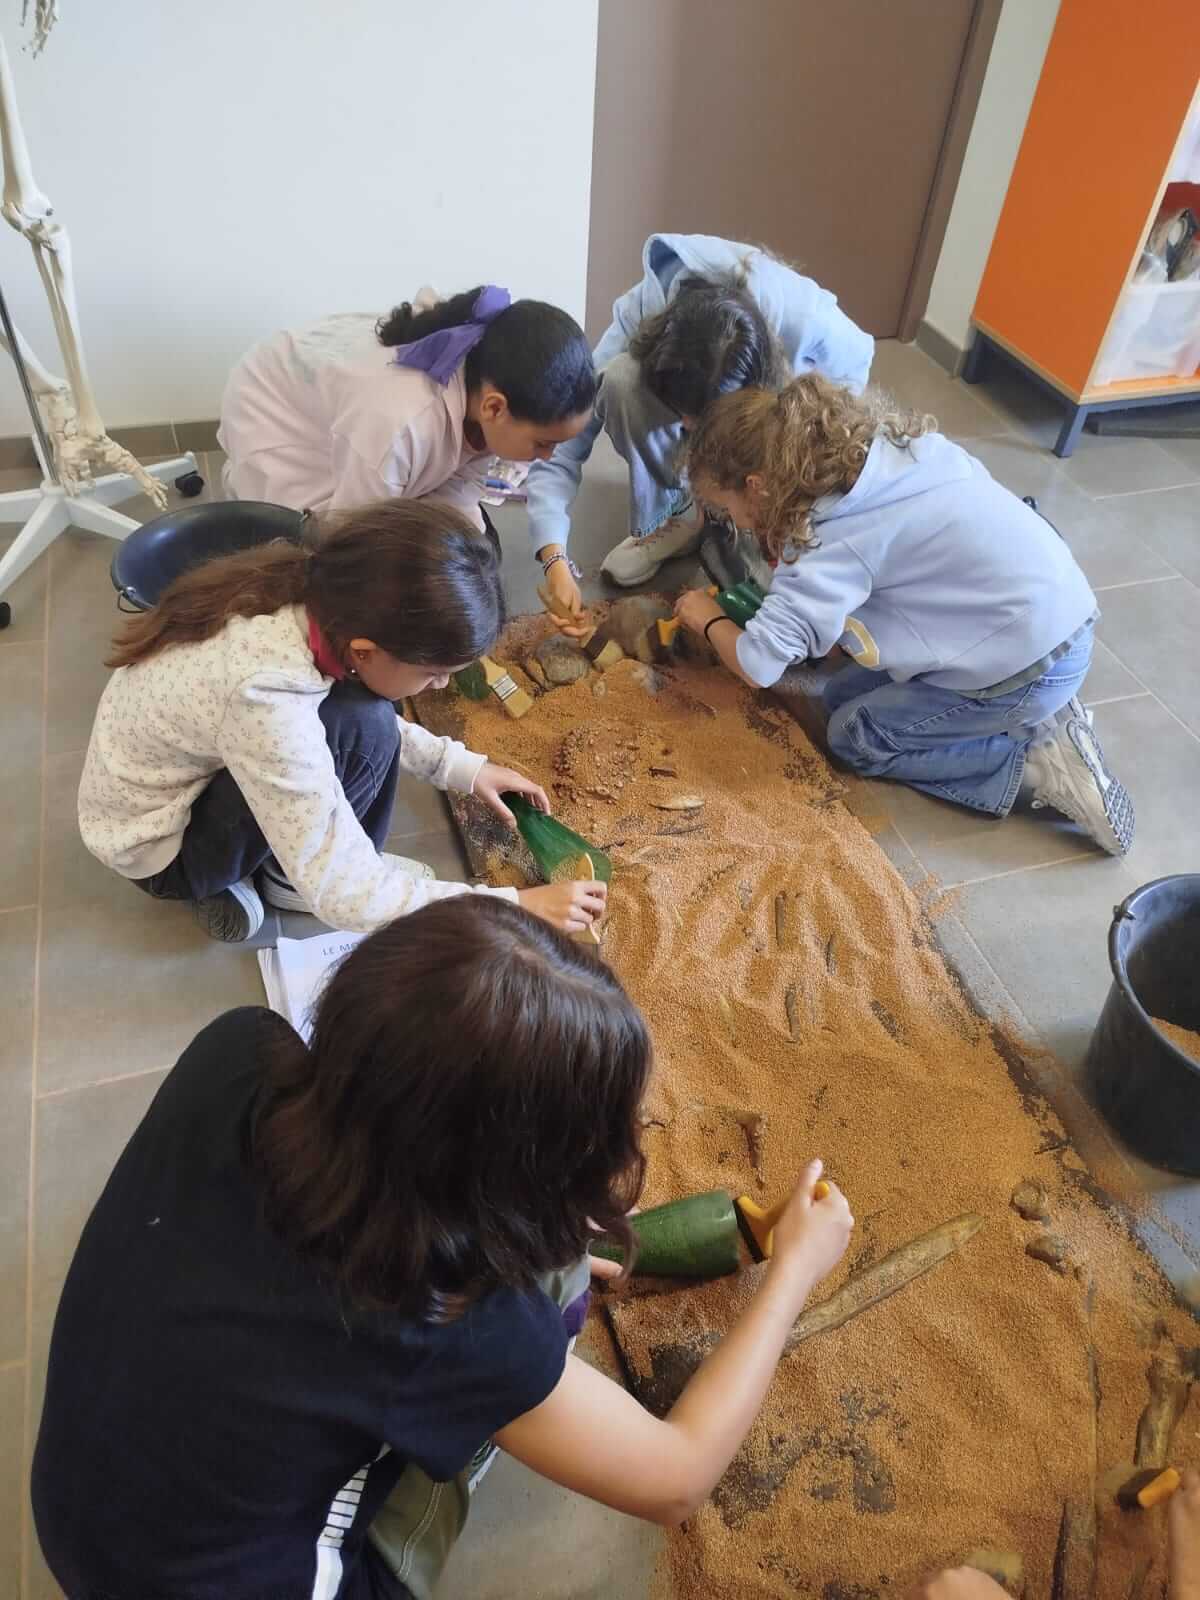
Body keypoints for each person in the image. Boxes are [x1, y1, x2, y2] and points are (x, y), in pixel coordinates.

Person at [32, 896, 854, 1600]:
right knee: (523, 1334)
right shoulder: (447, 1321)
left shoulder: (239, 1047)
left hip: (79, 1516)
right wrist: (792, 1272)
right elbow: (676, 1479)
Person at [78, 500, 605, 941]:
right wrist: (517, 905)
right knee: (367, 720)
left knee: (364, 713)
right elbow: (344, 893)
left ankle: (268, 865)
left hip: (180, 778)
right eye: (433, 673)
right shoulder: (265, 695)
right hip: (159, 849)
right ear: (364, 650)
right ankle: (281, 880)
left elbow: (314, 721)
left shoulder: (315, 593)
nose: (442, 686)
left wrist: (461, 768)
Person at [675, 376, 1134, 857]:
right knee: (837, 694)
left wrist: (707, 618)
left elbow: (759, 665)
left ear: (756, 487)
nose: (736, 523)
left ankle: (1039, 766)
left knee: (854, 737)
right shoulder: (889, 450)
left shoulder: (828, 542)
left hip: (1029, 663)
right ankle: (1039, 712)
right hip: (1057, 614)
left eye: (727, 509)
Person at [525, 232, 874, 627]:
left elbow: (849, 392)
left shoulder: (805, 320)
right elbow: (565, 438)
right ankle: (681, 513)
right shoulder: (645, 310)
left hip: (778, 402)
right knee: (621, 381)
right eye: (684, 415)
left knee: (778, 585)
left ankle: (751, 522)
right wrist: (553, 556)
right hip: (716, 402)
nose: (690, 431)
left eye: (701, 421)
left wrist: (788, 494)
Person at [218, 286, 596, 532]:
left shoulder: (487, 383)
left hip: (339, 388)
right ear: (495, 408)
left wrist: (471, 551)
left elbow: (459, 489)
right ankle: (249, 486)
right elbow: (349, 537)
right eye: (543, 443)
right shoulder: (397, 423)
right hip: (273, 399)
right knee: (304, 543)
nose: (548, 457)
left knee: (470, 550)